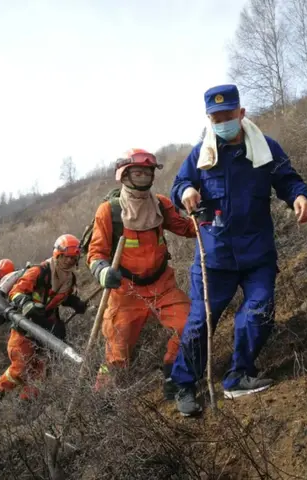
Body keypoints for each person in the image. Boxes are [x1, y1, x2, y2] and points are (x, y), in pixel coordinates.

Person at [169, 84, 307, 416]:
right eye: (216, 118)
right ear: (209, 119)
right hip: (214, 256)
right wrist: (187, 190)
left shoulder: (265, 149)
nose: (223, 122)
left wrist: (299, 197)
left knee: (258, 311)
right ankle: (184, 384)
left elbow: (288, 180)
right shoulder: (200, 155)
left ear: (241, 113)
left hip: (256, 254)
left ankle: (239, 375)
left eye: (228, 115)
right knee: (199, 322)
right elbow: (178, 186)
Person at [87, 148, 196, 399]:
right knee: (116, 354)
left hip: (162, 285)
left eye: (147, 173)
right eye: (137, 173)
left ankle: (173, 375)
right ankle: (101, 399)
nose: (143, 178)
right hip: (126, 292)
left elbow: (186, 228)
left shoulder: (160, 205)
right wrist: (103, 272)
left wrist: (206, 219)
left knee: (189, 324)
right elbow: (95, 253)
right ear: (124, 175)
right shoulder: (109, 212)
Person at [0, 234, 87, 404]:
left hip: (46, 328)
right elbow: (16, 292)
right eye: (67, 258)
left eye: (74, 259)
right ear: (58, 255)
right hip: (25, 328)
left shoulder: (69, 279)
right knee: (20, 367)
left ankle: (25, 405)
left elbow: (62, 297)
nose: (70, 262)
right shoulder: (39, 271)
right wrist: (27, 305)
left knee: (41, 371)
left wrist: (75, 303)